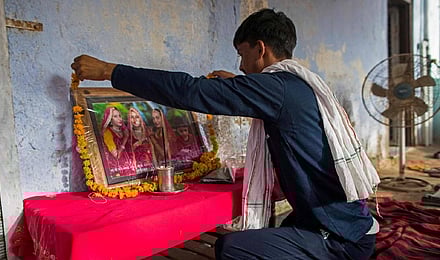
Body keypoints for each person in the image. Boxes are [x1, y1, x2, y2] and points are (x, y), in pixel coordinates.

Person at [71, 8, 380, 260]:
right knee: (262, 235)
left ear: (261, 49)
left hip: (340, 239)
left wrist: (110, 71)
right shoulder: (297, 85)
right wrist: (238, 83)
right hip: (350, 223)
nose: (242, 67)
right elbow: (271, 99)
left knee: (232, 249)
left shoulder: (276, 89)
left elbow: (190, 91)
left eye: (243, 56)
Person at [101, 106, 135, 177]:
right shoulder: (107, 133)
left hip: (130, 166)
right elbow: (116, 155)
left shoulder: (123, 131)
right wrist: (124, 142)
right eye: (115, 116)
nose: (119, 119)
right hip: (116, 169)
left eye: (120, 116)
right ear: (110, 119)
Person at [127, 107, 155, 171]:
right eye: (132, 117)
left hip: (150, 166)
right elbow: (128, 154)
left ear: (140, 118)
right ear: (129, 120)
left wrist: (155, 168)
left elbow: (153, 152)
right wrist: (135, 146)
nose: (135, 119)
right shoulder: (128, 135)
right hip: (138, 168)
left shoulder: (148, 132)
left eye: (137, 117)